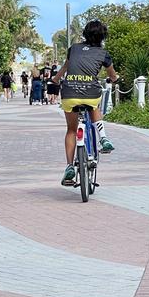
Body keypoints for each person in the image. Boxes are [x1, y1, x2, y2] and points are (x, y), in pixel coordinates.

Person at [52, 20, 118, 186]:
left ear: (84, 34)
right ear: (103, 37)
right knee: (94, 105)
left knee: (71, 130)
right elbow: (112, 75)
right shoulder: (103, 54)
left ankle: (69, 167)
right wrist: (115, 79)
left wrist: (55, 80)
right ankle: (103, 138)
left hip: (70, 93)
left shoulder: (74, 49)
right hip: (90, 93)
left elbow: (64, 69)